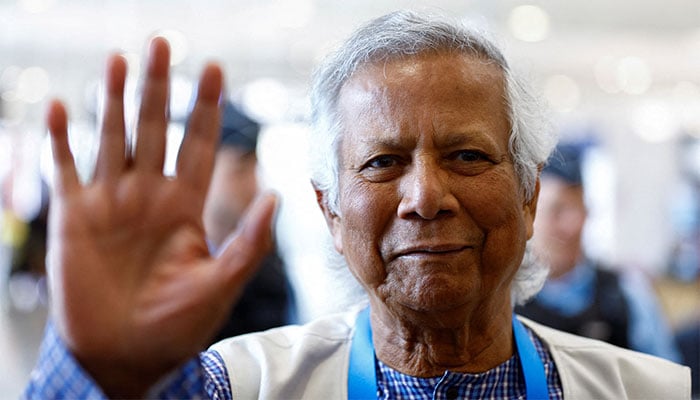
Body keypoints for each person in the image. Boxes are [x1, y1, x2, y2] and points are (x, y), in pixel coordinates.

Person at [25, 11, 691, 399]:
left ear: (528, 194)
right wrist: (98, 375)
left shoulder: (652, 391)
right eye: (381, 163)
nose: (426, 197)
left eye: (467, 156)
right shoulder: (241, 386)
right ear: (330, 213)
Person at [515, 144, 682, 362]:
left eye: (579, 209)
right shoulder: (505, 298)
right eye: (557, 211)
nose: (572, 224)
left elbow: (665, 377)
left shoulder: (625, 294)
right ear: (528, 216)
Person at [200, 99, 294, 342]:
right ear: (202, 170)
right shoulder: (167, 257)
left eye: (255, 169)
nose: (255, 186)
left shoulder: (264, 255)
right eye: (240, 170)